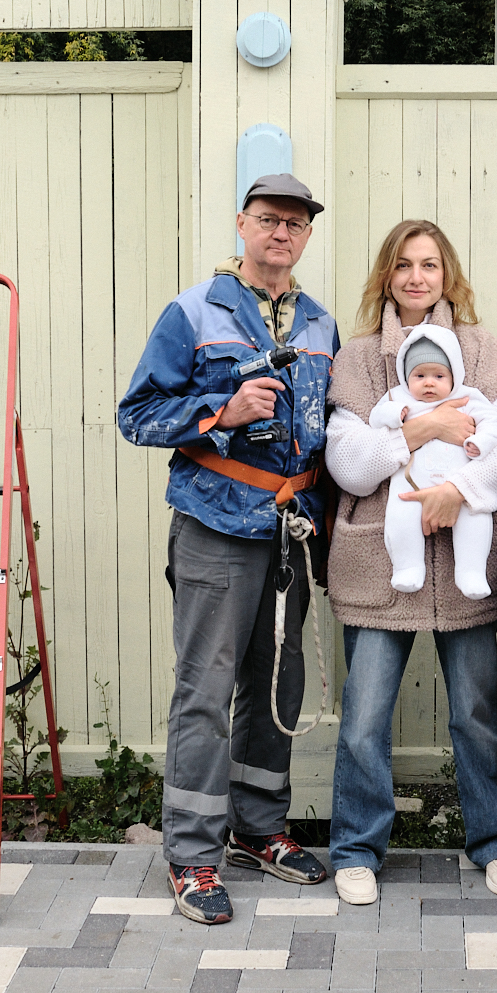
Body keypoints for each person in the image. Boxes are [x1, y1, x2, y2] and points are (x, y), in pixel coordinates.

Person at [116, 173, 338, 925]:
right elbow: (137, 413)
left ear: (307, 236)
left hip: (291, 529)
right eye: (270, 219)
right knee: (205, 694)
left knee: (277, 686)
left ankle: (257, 826)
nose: (282, 233)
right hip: (215, 526)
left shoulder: (319, 325)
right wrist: (221, 410)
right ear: (243, 224)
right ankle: (192, 855)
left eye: (296, 223)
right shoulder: (193, 312)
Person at [322, 219, 497, 906]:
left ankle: (496, 840)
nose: (418, 277)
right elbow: (348, 464)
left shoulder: (483, 349)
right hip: (380, 567)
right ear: (386, 275)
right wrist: (422, 429)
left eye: (431, 265)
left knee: (475, 708)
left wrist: (458, 491)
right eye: (404, 265)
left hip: (464, 565)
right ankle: (357, 847)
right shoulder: (357, 359)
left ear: (449, 275)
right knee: (364, 714)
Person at [368, 324, 497, 598]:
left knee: (476, 516)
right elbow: (375, 418)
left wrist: (480, 442)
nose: (429, 382)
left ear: (454, 374)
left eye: (439, 375)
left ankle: (472, 572)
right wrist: (395, 415)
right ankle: (407, 568)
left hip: (459, 484)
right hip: (411, 482)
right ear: (406, 377)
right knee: (401, 514)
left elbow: (493, 423)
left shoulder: (467, 398)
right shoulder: (398, 398)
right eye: (419, 375)